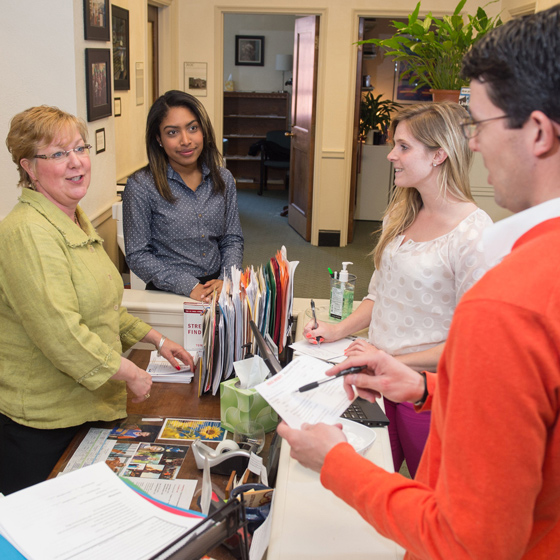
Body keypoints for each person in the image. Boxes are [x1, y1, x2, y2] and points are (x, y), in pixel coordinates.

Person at [279, 6, 560, 558]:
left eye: (478, 124)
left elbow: (468, 541)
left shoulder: (508, 301)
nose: (472, 144)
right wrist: (426, 387)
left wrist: (336, 463)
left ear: (537, 132)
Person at [0, 105, 195, 495]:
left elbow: (104, 307)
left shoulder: (73, 218)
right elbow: (63, 335)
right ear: (29, 168)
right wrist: (131, 373)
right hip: (44, 426)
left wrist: (158, 339)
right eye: (57, 154)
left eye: (80, 149)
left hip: (87, 407)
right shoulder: (28, 233)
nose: (76, 163)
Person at [304, 101, 493, 477]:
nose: (391, 155)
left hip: (424, 391)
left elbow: (472, 341)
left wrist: (388, 364)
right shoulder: (401, 212)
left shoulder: (475, 234)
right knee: (364, 479)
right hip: (377, 381)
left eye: (403, 147)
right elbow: (380, 293)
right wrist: (337, 330)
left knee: (429, 496)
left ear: (439, 154)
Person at [123, 90, 244, 303]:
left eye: (192, 128)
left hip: (218, 291)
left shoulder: (223, 179)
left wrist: (227, 279)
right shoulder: (141, 185)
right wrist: (188, 286)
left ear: (203, 131)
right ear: (158, 139)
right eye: (172, 133)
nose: (186, 140)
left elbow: (231, 238)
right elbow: (137, 254)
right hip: (168, 292)